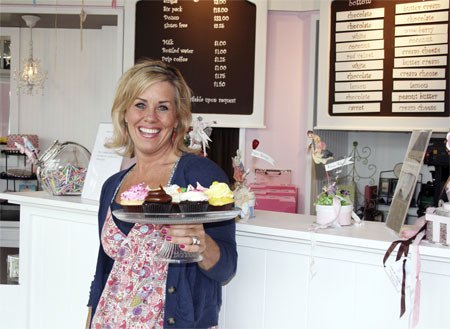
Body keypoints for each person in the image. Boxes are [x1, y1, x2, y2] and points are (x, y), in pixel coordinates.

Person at [86, 59, 237, 328]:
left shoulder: (199, 176)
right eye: (140, 104)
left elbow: (226, 268)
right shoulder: (113, 185)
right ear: (124, 113)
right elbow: (103, 272)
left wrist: (201, 244)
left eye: (163, 107)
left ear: (177, 119)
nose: (150, 117)